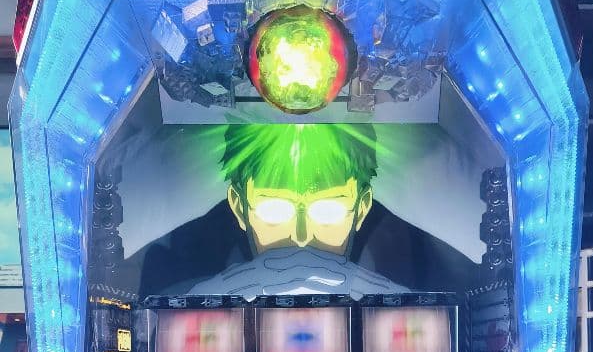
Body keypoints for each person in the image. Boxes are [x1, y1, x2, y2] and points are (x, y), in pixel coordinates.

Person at [125, 122, 479, 299]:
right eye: (274, 210)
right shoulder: (177, 265)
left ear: (361, 207)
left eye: (327, 211)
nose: (300, 237)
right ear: (238, 205)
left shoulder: (424, 263)